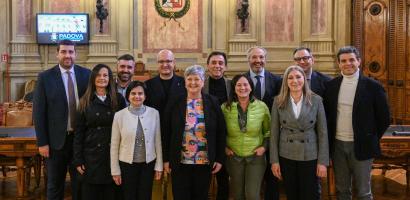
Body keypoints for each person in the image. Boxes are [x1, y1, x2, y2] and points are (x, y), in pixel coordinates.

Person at [323, 46, 390, 200]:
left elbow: (384, 118)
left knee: (364, 192)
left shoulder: (373, 86)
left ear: (359, 61)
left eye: (352, 60)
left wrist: (369, 136)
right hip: (338, 146)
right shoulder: (331, 86)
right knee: (342, 190)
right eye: (343, 61)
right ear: (338, 64)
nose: (348, 64)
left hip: (362, 145)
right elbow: (328, 116)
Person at [33, 39, 91, 200]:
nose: (68, 55)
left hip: (80, 141)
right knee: (54, 185)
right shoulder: (45, 77)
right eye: (64, 52)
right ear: (57, 54)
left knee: (79, 184)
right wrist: (42, 142)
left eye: (71, 52)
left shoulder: (86, 75)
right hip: (55, 143)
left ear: (76, 54)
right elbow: (39, 112)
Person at [162, 65, 226, 200]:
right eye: (189, 79)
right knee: (180, 196)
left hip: (204, 161)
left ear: (203, 82)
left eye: (197, 79)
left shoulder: (212, 102)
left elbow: (221, 132)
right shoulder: (175, 101)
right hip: (180, 162)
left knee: (201, 196)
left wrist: (219, 159)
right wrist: (166, 159)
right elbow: (166, 132)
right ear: (185, 82)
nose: (193, 83)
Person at [270, 65, 329, 200]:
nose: (294, 81)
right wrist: (274, 161)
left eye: (298, 77)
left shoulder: (316, 100)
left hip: (310, 154)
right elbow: (274, 134)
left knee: (311, 194)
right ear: (285, 81)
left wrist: (323, 162)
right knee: (291, 194)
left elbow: (323, 133)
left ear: (304, 79)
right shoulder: (278, 101)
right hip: (286, 154)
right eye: (290, 78)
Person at [73, 64, 126, 200]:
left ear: (110, 78)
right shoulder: (84, 101)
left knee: (111, 193)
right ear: (93, 78)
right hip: (91, 155)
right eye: (98, 75)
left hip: (113, 155)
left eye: (105, 75)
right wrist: (78, 159)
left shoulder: (118, 99)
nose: (102, 78)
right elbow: (79, 133)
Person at [110, 81, 163, 200]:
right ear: (128, 96)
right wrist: (115, 170)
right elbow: (114, 145)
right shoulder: (119, 115)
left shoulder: (154, 113)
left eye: (140, 93)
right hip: (127, 165)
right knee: (129, 196)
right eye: (133, 93)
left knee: (145, 196)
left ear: (145, 96)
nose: (137, 96)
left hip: (148, 165)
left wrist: (159, 166)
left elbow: (157, 141)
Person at [221, 74, 271, 200]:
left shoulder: (262, 106)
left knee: (252, 195)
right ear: (234, 88)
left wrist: (263, 148)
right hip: (234, 157)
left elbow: (269, 131)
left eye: (245, 84)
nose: (242, 88)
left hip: (255, 157)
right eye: (239, 85)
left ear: (251, 87)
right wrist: (225, 148)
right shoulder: (225, 108)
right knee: (237, 195)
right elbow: (219, 132)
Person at [244, 46, 281, 200]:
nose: (257, 61)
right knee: (250, 183)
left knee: (272, 179)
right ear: (248, 60)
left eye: (261, 57)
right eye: (254, 57)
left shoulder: (278, 80)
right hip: (249, 140)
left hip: (272, 137)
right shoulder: (241, 81)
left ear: (265, 60)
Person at [204, 51, 231, 200]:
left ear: (225, 66)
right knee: (204, 181)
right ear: (208, 66)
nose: (217, 66)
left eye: (220, 63)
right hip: (205, 138)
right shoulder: (201, 84)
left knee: (223, 180)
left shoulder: (231, 85)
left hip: (226, 138)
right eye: (213, 63)